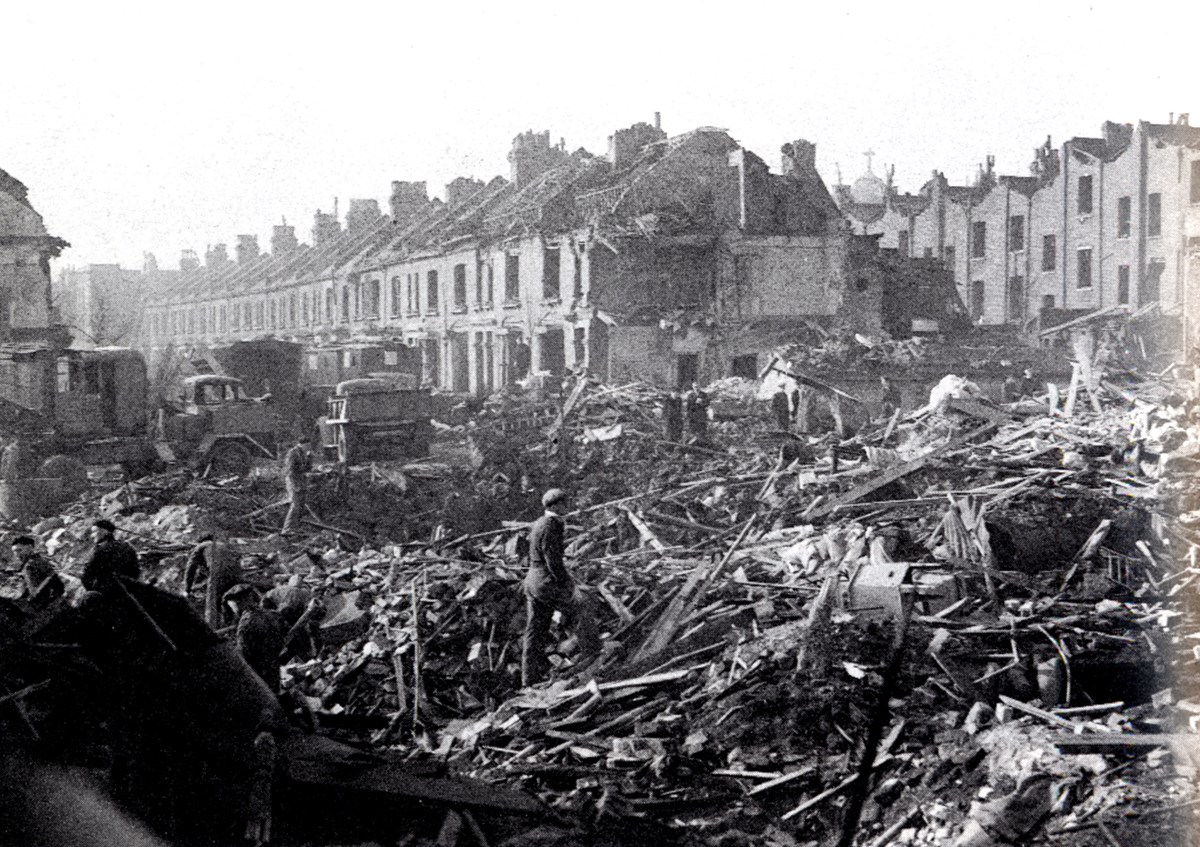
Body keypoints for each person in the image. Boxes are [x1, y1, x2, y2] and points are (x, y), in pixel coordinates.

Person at [521, 488, 599, 687]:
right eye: (565, 504)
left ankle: (528, 679)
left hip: (532, 581)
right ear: (555, 505)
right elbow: (553, 562)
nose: (568, 507)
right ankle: (593, 653)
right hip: (546, 582)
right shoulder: (552, 525)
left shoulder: (539, 522)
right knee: (582, 604)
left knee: (535, 630)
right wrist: (569, 585)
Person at [226, 584, 288, 693]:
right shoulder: (271, 614)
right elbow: (284, 635)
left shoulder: (246, 623)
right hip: (273, 665)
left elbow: (244, 653)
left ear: (238, 603)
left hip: (258, 670)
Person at [183, 534, 243, 629]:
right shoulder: (222, 545)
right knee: (231, 597)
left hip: (219, 572)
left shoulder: (200, 546)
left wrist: (187, 589)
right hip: (237, 572)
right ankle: (233, 624)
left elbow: (191, 568)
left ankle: (211, 631)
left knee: (213, 604)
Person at [81, 519, 140, 592]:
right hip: (130, 589)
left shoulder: (100, 551)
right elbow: (136, 571)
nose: (92, 536)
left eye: (94, 532)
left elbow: (86, 577)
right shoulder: (127, 547)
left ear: (104, 531)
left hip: (108, 591)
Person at [11, 535, 63, 610]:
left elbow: (36, 590)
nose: (16, 554)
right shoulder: (38, 560)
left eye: (19, 550)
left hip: (45, 605)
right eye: (14, 551)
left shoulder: (31, 564)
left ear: (29, 547)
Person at [282, 435, 313, 535]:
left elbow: (307, 469)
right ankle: (287, 529)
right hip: (293, 481)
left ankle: (296, 527)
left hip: (301, 481)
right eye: (307, 445)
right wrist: (294, 485)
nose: (308, 447)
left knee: (301, 505)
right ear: (302, 445)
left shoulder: (304, 454)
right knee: (295, 505)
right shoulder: (293, 453)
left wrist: (309, 458)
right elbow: (289, 471)